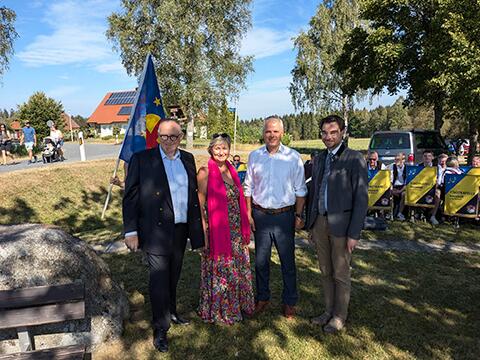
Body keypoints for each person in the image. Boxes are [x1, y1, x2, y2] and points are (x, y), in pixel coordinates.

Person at [122, 119, 204, 353]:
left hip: (180, 229)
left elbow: (191, 196)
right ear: (157, 136)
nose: (168, 141)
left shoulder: (188, 159)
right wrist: (131, 230)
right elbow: (130, 198)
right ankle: (161, 328)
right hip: (155, 230)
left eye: (173, 136)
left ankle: (172, 312)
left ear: (180, 137)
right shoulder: (142, 159)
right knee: (159, 279)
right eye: (164, 136)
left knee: (173, 275)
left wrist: (197, 231)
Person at [305, 114, 368, 334]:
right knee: (325, 270)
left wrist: (354, 233)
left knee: (340, 272)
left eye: (333, 132)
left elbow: (361, 198)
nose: (328, 136)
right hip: (320, 222)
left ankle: (339, 316)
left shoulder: (354, 158)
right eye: (324, 132)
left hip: (342, 225)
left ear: (342, 133)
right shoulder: (320, 157)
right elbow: (314, 191)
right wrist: (311, 224)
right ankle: (328, 310)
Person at [243, 116, 307, 319]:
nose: (272, 135)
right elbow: (248, 188)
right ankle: (262, 298)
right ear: (263, 133)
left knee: (287, 262)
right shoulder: (254, 156)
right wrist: (248, 213)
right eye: (268, 131)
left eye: (276, 131)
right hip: (260, 216)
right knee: (261, 262)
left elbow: (301, 190)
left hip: (284, 217)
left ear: (282, 133)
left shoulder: (293, 157)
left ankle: (289, 301)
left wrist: (298, 215)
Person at [197, 133, 254, 324]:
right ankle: (221, 309)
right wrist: (204, 229)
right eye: (217, 148)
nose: (221, 152)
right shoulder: (205, 172)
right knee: (222, 268)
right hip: (217, 231)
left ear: (229, 150)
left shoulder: (232, 170)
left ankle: (238, 303)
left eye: (224, 148)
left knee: (236, 268)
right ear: (211, 149)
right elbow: (200, 202)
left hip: (236, 231)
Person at [390, 152, 407, 220]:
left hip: (403, 187)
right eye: (395, 159)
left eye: (398, 159)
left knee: (404, 194)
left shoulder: (407, 168)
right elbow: (389, 181)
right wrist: (392, 189)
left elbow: (407, 183)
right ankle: (389, 213)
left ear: (403, 160)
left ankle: (400, 213)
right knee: (388, 193)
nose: (396, 161)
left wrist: (400, 191)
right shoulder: (391, 167)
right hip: (394, 186)